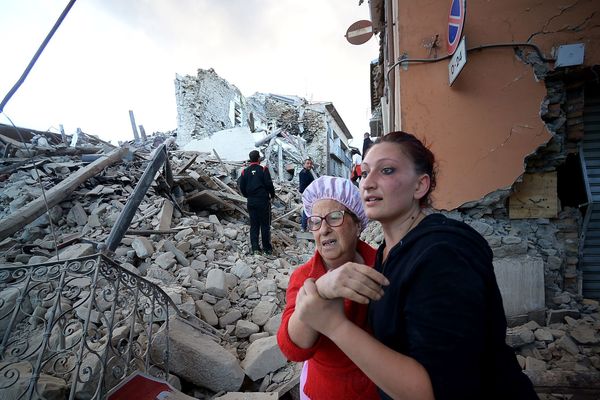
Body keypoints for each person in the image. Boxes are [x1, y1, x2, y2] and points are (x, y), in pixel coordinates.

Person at [294, 131, 538, 400]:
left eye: (386, 170)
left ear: (420, 186)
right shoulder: (388, 254)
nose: (368, 183)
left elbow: (436, 389)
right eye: (364, 173)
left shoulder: (443, 255)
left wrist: (334, 325)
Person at [277, 176, 386, 400]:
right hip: (325, 391)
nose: (323, 229)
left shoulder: (383, 268)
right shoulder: (304, 277)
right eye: (315, 221)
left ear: (358, 225)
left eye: (335, 217)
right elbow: (293, 349)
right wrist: (319, 291)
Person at [239, 150, 275, 255]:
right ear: (258, 158)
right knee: (265, 225)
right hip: (263, 201)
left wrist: (248, 196)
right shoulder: (263, 169)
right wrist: (272, 195)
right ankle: (267, 249)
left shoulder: (244, 172)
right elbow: (269, 184)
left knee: (254, 225)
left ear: (250, 159)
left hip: (251, 201)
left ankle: (255, 248)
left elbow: (242, 187)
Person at [298, 158, 315, 231]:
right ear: (304, 164)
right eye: (307, 163)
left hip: (310, 194)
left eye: (310, 163)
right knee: (307, 209)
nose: (309, 165)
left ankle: (306, 226)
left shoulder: (308, 172)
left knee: (309, 209)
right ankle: (303, 227)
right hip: (307, 194)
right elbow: (303, 186)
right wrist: (305, 194)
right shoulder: (304, 172)